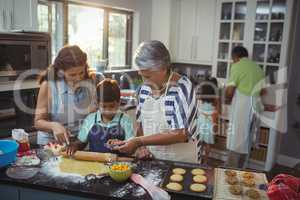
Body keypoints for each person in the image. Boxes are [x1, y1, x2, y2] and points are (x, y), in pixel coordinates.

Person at [111, 40, 198, 163]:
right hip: (153, 162)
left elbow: (180, 134)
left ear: (163, 68)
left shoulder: (182, 88)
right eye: (141, 75)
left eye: (147, 76)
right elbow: (141, 125)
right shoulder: (143, 90)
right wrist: (140, 147)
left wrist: (138, 142)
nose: (144, 81)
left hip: (182, 163)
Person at [34, 45, 97, 145]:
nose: (78, 78)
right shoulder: (49, 86)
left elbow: (94, 114)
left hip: (80, 141)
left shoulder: (90, 81)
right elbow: (38, 122)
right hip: (52, 144)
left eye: (81, 72)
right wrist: (54, 126)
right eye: (72, 75)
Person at [66, 78, 134, 155]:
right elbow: (81, 143)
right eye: (104, 107)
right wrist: (74, 146)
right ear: (97, 104)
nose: (108, 110)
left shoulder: (125, 120)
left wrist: (121, 144)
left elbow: (131, 148)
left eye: (112, 106)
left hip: (118, 165)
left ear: (119, 103)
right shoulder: (90, 119)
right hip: (95, 164)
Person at [225, 46, 265, 168]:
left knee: (236, 140)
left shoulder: (237, 66)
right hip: (256, 107)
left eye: (232, 59)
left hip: (243, 105)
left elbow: (230, 91)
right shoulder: (258, 68)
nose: (233, 61)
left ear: (236, 57)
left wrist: (227, 98)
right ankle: (241, 169)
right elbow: (263, 91)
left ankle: (231, 170)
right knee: (247, 140)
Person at [196, 77, 219, 165]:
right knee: (208, 144)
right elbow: (215, 114)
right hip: (209, 121)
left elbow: (197, 109)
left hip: (200, 120)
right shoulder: (216, 98)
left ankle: (199, 159)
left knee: (200, 142)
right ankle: (205, 161)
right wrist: (215, 125)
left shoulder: (200, 96)